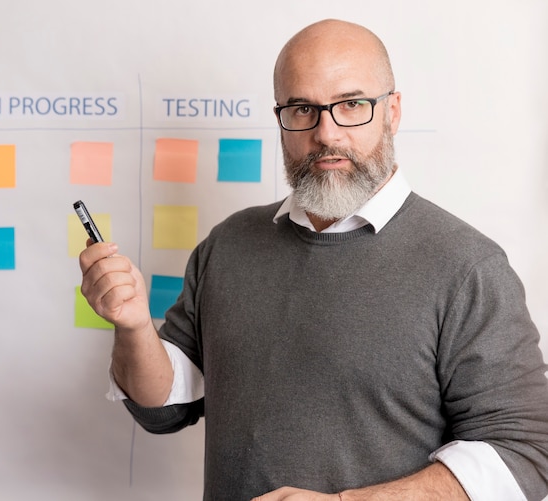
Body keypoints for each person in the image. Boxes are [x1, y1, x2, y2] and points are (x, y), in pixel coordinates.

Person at [79, 19, 548, 500]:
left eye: (351, 105)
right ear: (281, 117)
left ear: (393, 111)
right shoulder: (228, 244)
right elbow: (166, 406)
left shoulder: (468, 267)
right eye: (303, 108)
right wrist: (133, 326)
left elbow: (524, 456)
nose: (326, 133)